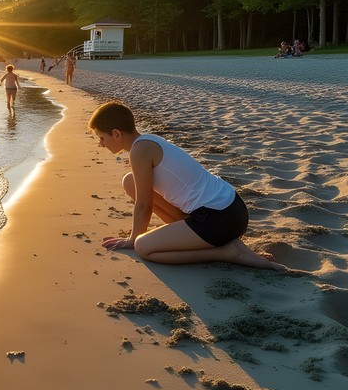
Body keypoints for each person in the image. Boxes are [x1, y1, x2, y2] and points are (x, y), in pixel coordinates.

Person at [88, 101, 284, 270]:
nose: (100, 144)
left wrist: (132, 239)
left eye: (101, 138)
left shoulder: (139, 151)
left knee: (143, 247)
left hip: (217, 219)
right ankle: (197, 236)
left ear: (116, 134)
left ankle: (226, 253)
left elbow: (143, 205)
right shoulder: (147, 141)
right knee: (129, 181)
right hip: (232, 209)